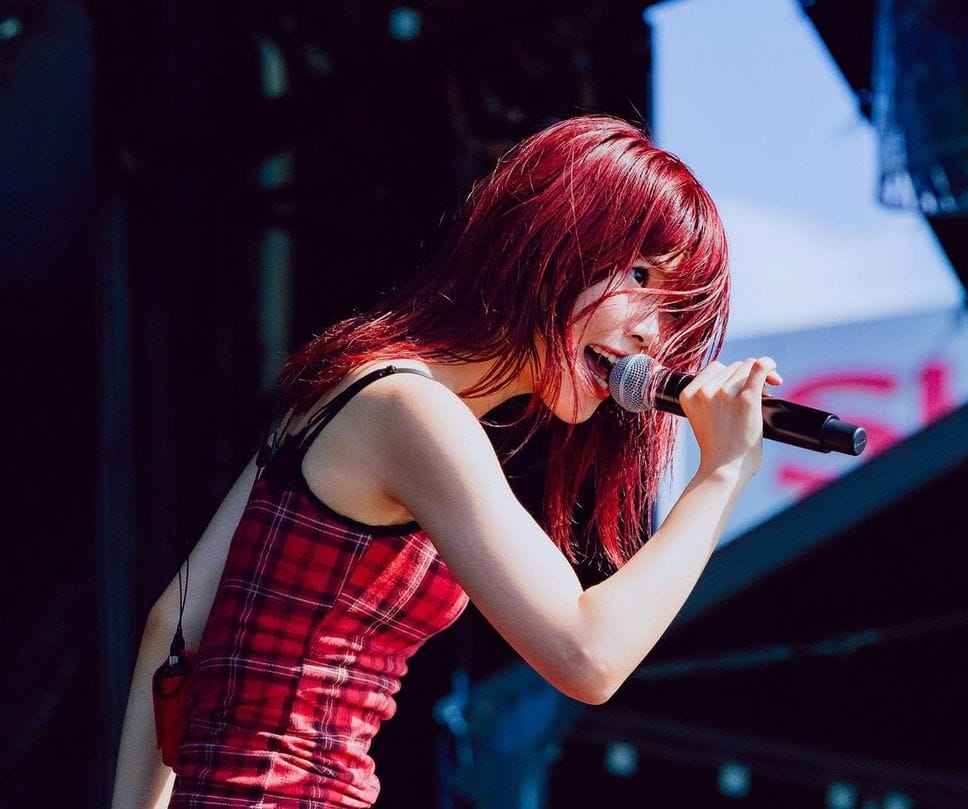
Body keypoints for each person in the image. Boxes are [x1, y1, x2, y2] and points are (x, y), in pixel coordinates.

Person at [110, 114, 782, 809]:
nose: (652, 333)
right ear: (554, 237)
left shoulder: (352, 384)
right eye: (639, 275)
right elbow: (589, 653)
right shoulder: (414, 411)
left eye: (672, 313)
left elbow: (173, 623)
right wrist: (721, 473)